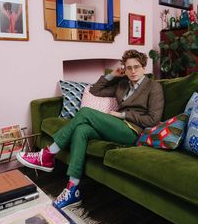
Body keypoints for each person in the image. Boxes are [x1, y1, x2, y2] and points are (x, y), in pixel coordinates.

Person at [17, 50, 164, 210]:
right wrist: (112, 75)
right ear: (124, 69)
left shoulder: (153, 87)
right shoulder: (122, 84)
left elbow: (153, 119)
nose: (133, 71)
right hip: (114, 127)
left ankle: (48, 154)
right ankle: (73, 189)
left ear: (144, 67)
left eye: (136, 67)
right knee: (81, 130)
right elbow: (95, 91)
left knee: (85, 112)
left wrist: (122, 115)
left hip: (131, 131)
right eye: (129, 68)